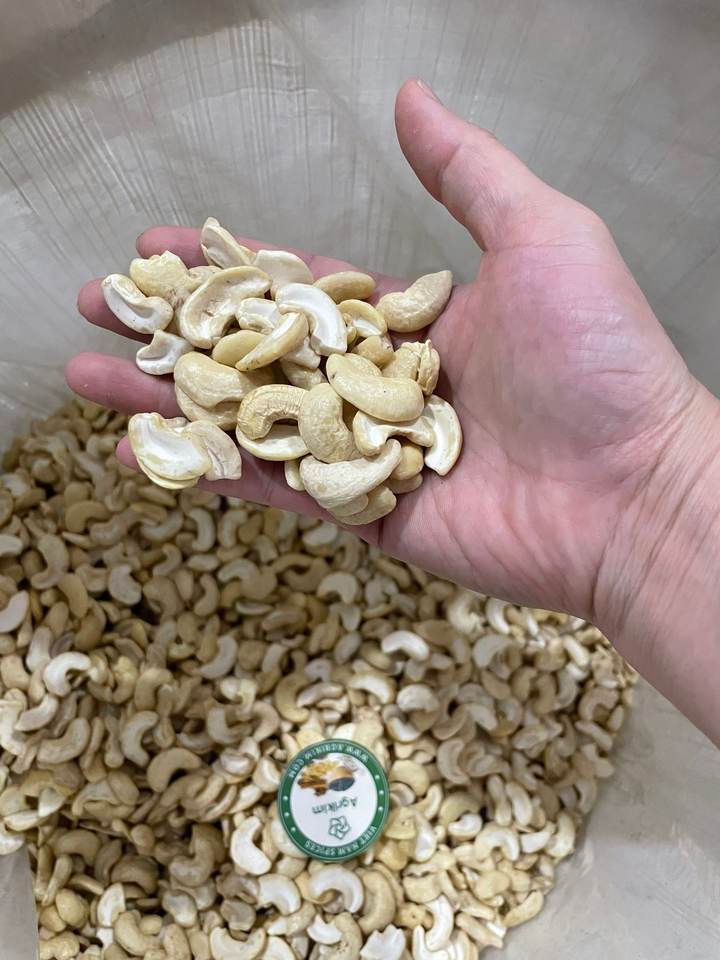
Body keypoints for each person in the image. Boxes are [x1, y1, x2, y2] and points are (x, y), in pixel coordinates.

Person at [66, 79, 720, 748]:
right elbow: (327, 403)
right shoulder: (317, 375)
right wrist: (663, 494)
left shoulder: (364, 389)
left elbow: (370, 404)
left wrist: (662, 486)